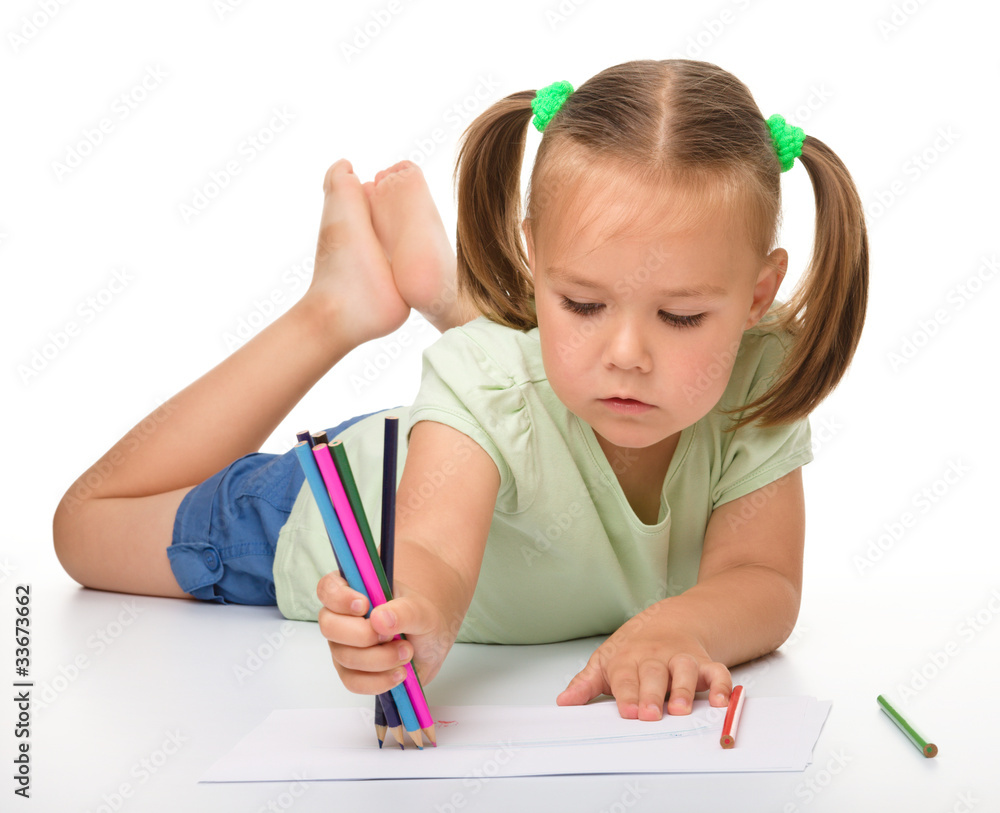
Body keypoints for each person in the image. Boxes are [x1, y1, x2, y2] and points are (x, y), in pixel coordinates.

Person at [53, 58, 868, 722]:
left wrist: (678, 627)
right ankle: (335, 309)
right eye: (581, 304)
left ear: (758, 294)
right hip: (345, 496)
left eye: (682, 315)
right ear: (535, 259)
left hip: (490, 416)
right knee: (84, 528)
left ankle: (455, 299)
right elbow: (433, 551)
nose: (628, 355)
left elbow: (764, 578)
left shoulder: (760, 377)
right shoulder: (480, 391)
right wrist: (414, 620)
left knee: (502, 377)